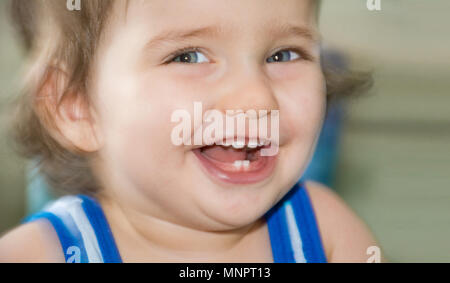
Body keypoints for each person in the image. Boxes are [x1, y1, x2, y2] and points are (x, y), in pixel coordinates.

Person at [0, 0, 378, 263]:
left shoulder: (324, 231)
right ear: (77, 107)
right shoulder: (38, 254)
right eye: (188, 56)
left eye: (283, 54)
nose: (256, 97)